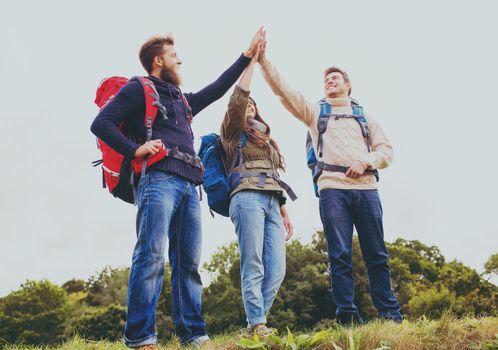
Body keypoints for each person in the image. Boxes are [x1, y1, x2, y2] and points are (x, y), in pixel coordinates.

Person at [90, 29, 264, 349]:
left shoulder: (182, 100)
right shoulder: (138, 89)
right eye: (173, 55)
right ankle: (141, 338)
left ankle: (194, 335)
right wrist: (134, 149)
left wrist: (247, 56)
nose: (179, 60)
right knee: (151, 256)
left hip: (189, 186)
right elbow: (100, 123)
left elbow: (217, 88)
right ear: (158, 61)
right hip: (158, 181)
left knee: (188, 264)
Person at [257, 33, 403, 324]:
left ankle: (390, 315)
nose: (330, 81)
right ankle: (347, 316)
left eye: (336, 78)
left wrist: (366, 161)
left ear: (348, 85)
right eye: (327, 79)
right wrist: (263, 62)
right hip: (332, 189)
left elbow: (386, 150)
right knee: (339, 255)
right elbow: (285, 92)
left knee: (377, 253)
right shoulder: (315, 113)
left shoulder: (364, 116)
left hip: (367, 189)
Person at [220, 44, 294, 335]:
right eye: (246, 104)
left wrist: (284, 210)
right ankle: (259, 325)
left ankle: (252, 325)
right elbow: (239, 99)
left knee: (276, 270)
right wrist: (251, 62)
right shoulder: (232, 133)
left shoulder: (266, 139)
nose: (249, 105)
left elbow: (272, 176)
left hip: (273, 201)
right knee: (254, 263)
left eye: (253, 104)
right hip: (246, 198)